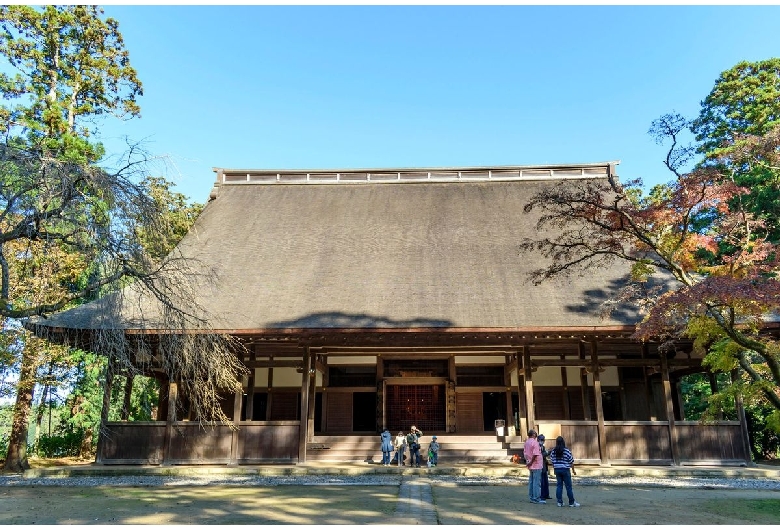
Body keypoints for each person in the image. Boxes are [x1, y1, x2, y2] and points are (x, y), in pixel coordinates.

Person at [548, 435, 581, 507]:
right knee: (568, 487)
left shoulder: (553, 451)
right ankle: (571, 502)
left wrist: (554, 469)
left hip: (557, 469)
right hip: (565, 469)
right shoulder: (566, 451)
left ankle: (559, 502)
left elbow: (552, 461)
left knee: (559, 486)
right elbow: (571, 461)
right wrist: (573, 470)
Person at [523, 429, 545, 504]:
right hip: (536, 464)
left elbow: (525, 453)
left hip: (530, 463)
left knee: (532, 481)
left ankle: (532, 497)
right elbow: (535, 454)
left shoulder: (526, 442)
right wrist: (532, 462)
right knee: (536, 482)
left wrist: (528, 461)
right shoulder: (535, 443)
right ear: (533, 435)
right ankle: (536, 498)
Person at [538, 434, 552, 500]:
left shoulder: (543, 447)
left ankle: (546, 494)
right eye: (541, 440)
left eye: (543, 440)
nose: (542, 441)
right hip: (540, 465)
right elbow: (540, 455)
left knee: (546, 481)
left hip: (544, 464)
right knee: (542, 481)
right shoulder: (537, 446)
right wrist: (547, 452)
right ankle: (542, 495)